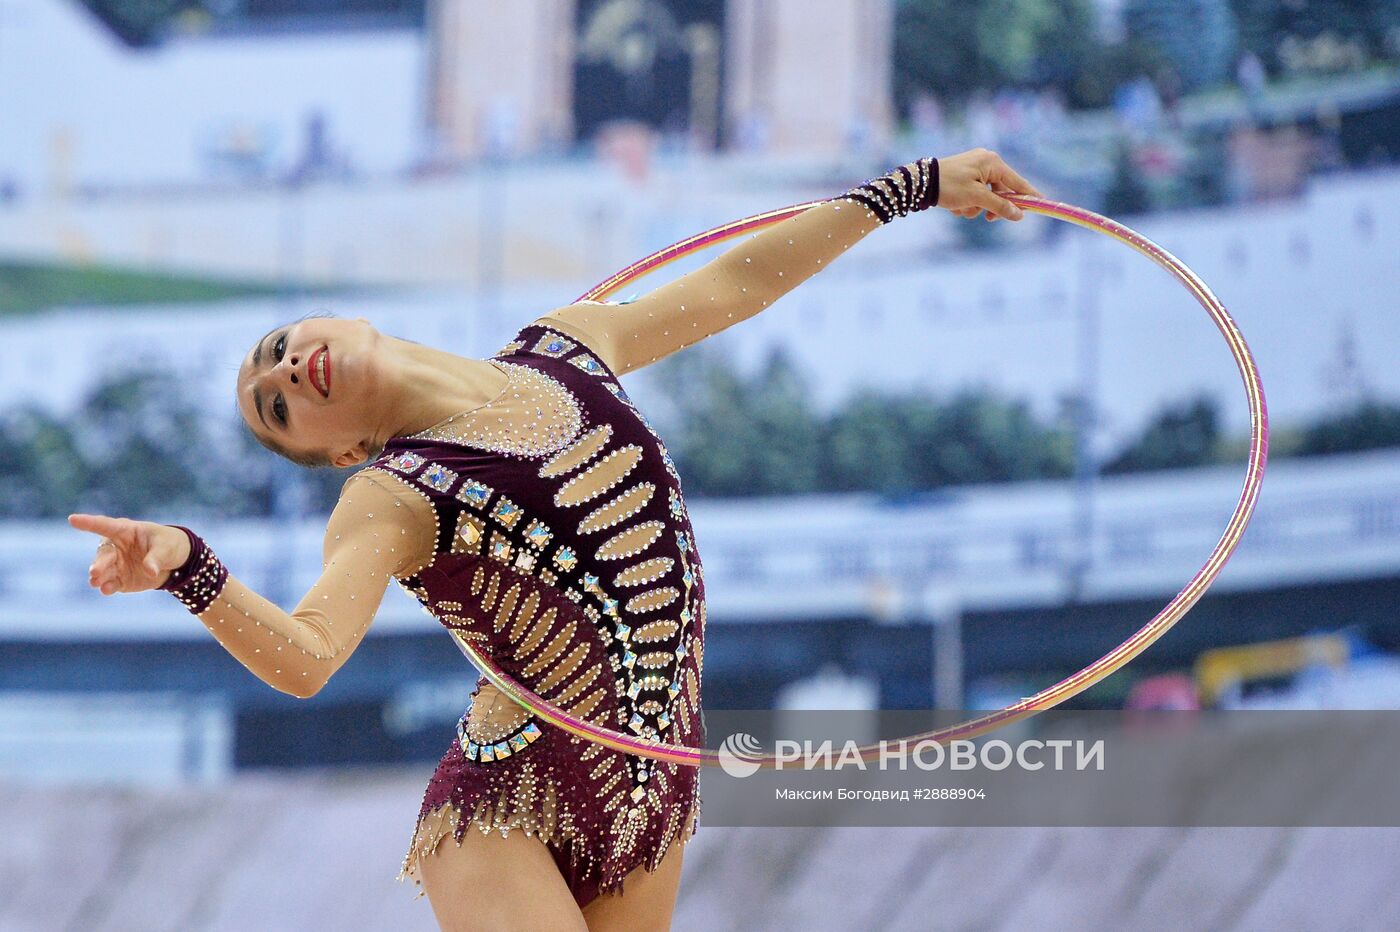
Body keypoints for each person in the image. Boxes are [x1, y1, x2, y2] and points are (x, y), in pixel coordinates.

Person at [70, 149, 1041, 932]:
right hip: (507, 800)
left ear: (342, 317)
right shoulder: (386, 495)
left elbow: (737, 282)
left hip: (654, 778)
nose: (283, 372)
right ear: (340, 452)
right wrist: (188, 566)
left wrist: (911, 187)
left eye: (276, 349)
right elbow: (310, 656)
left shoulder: (566, 346)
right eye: (275, 407)